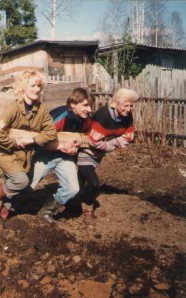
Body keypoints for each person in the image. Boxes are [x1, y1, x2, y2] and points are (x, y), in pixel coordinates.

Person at [0, 70, 57, 219]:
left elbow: (51, 133)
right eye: (33, 85)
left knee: (17, 185)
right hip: (5, 153)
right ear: (23, 87)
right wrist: (14, 142)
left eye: (39, 86)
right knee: (21, 181)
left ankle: (4, 214)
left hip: (25, 156)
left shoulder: (41, 110)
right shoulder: (13, 108)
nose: (37, 89)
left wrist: (32, 140)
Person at [28, 87, 94, 223]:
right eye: (85, 105)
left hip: (65, 156)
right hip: (45, 153)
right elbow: (39, 139)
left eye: (91, 106)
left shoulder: (87, 120)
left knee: (72, 188)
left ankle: (45, 212)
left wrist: (75, 150)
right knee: (27, 185)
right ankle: (5, 203)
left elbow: (84, 140)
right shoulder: (60, 116)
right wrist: (60, 147)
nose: (89, 109)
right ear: (73, 104)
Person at [77, 88, 138, 224]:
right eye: (125, 105)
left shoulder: (127, 116)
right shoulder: (103, 115)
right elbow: (93, 141)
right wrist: (111, 145)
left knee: (79, 182)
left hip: (98, 154)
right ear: (116, 103)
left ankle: (71, 201)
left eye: (131, 105)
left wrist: (111, 142)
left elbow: (129, 136)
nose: (128, 109)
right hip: (85, 151)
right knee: (93, 182)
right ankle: (88, 210)